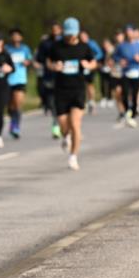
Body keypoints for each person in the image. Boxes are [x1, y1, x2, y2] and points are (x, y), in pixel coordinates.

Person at [47, 17, 98, 171]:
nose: (69, 37)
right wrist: (54, 66)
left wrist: (88, 64)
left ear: (77, 33)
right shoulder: (57, 47)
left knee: (75, 124)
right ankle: (66, 136)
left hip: (77, 90)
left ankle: (73, 157)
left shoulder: (84, 47)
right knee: (64, 126)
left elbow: (94, 62)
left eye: (72, 34)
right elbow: (48, 61)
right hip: (61, 91)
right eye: (67, 34)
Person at [113, 24, 139, 128]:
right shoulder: (121, 46)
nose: (129, 34)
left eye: (130, 32)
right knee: (124, 93)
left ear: (133, 33)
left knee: (135, 94)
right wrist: (120, 61)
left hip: (136, 73)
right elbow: (115, 56)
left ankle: (132, 113)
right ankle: (128, 111)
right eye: (127, 33)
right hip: (125, 73)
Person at [34, 22, 63, 138]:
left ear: (61, 30)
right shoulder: (45, 43)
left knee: (62, 102)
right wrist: (45, 62)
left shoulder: (64, 43)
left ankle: (62, 124)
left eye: (57, 29)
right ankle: (56, 124)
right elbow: (39, 58)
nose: (55, 31)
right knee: (52, 103)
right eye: (53, 29)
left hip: (64, 78)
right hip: (49, 76)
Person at [6, 28, 33, 139]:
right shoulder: (7, 49)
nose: (15, 38)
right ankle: (12, 119)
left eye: (17, 36)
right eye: (13, 35)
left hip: (20, 79)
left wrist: (27, 62)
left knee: (17, 103)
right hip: (8, 80)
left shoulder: (25, 49)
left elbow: (30, 59)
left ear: (21, 37)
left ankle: (16, 126)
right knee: (10, 106)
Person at [80, 30, 103, 114]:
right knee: (82, 85)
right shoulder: (79, 45)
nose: (83, 38)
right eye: (81, 37)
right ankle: (83, 103)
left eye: (84, 37)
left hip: (90, 67)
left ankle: (91, 102)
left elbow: (100, 53)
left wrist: (92, 60)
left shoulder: (92, 43)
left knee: (90, 85)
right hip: (81, 67)